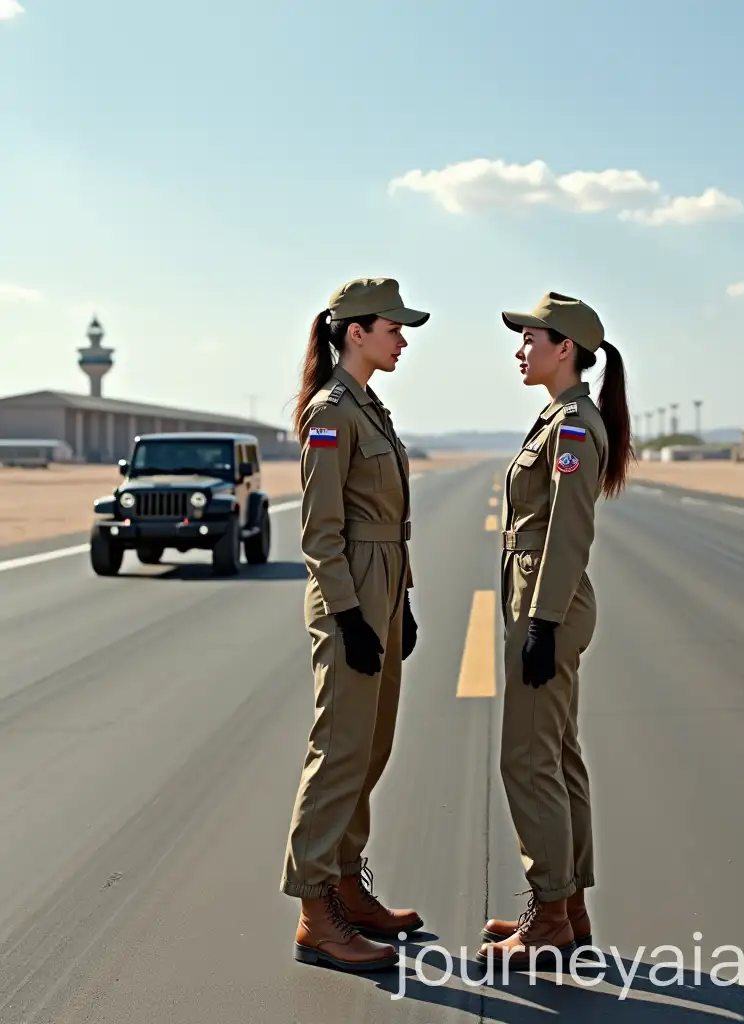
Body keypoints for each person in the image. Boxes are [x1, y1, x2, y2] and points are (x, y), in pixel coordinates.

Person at [476, 291, 634, 969]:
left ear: (564, 348)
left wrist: (540, 624)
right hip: (546, 597)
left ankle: (547, 920)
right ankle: (566, 910)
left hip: (549, 601)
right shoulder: (560, 418)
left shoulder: (572, 427)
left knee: (529, 758)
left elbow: (569, 533)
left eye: (530, 339)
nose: (520, 350)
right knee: (558, 754)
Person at [281, 276, 429, 974]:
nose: (403, 339)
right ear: (356, 332)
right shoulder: (332, 411)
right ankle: (316, 913)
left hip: (382, 593)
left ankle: (346, 884)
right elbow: (321, 533)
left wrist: (402, 605)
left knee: (370, 748)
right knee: (338, 751)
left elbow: (389, 527)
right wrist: (351, 617)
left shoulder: (371, 407)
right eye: (394, 328)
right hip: (350, 600)